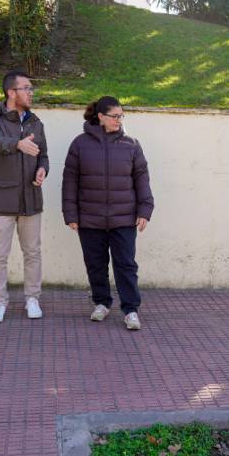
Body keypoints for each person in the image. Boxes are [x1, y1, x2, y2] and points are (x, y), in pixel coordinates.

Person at [61, 96, 154, 330]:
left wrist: (145, 209)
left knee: (126, 265)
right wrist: (71, 214)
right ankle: (101, 303)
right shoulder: (80, 144)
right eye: (115, 116)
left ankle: (130, 310)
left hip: (124, 218)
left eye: (121, 116)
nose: (119, 120)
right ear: (101, 117)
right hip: (90, 218)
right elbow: (70, 181)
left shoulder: (131, 144)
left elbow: (141, 178)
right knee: (95, 264)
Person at [0, 70, 49, 323]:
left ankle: (32, 298)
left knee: (33, 252)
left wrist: (42, 170)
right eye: (26, 88)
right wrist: (17, 144)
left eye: (31, 88)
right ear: (11, 92)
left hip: (31, 198)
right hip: (1, 199)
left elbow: (43, 155)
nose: (31, 93)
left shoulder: (35, 122)